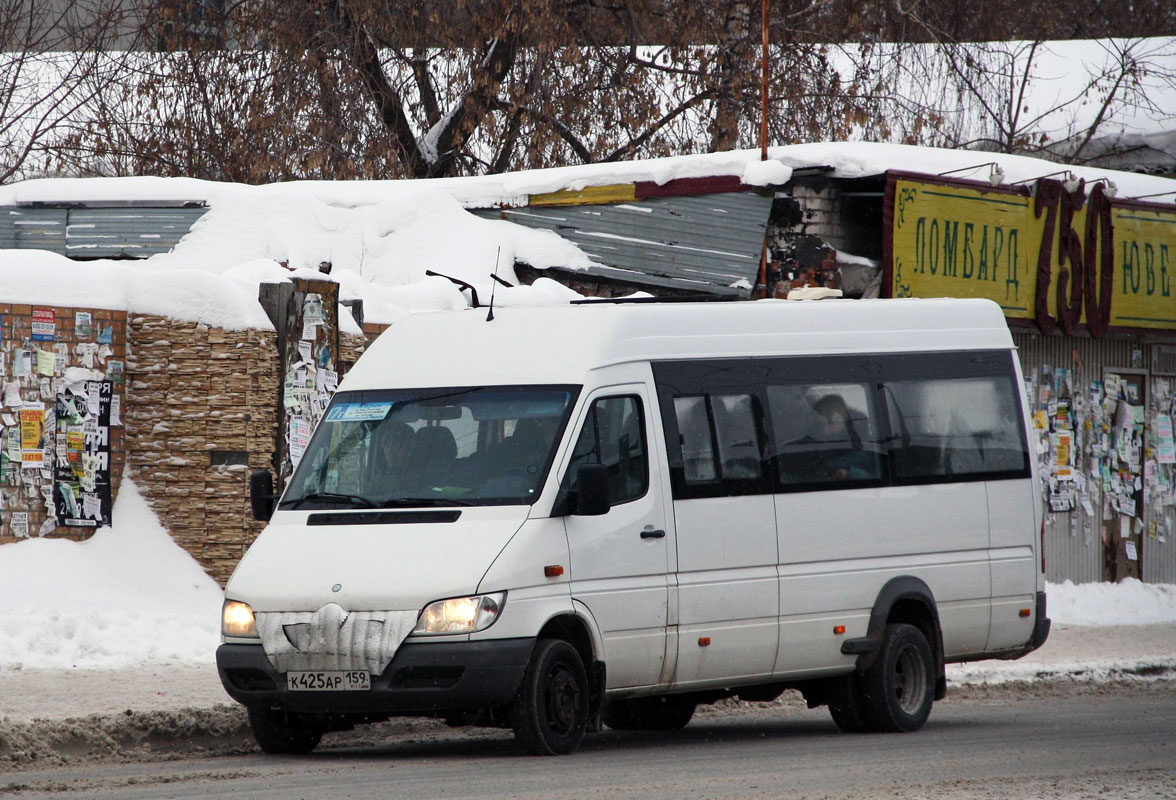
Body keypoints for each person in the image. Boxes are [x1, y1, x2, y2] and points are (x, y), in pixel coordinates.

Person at [812, 394, 877, 481]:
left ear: (844, 420)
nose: (825, 430)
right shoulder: (811, 447)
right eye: (821, 424)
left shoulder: (868, 449)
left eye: (831, 423)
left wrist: (849, 473)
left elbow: (881, 484)